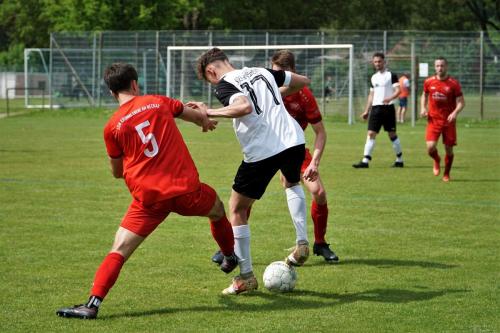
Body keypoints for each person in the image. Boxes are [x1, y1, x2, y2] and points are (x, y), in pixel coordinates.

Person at [56, 63, 238, 319]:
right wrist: (205, 121)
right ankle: (230, 256)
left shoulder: (112, 128)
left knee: (119, 250)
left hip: (149, 199)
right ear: (134, 84)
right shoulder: (157, 101)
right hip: (185, 190)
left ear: (111, 93)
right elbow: (196, 117)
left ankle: (92, 304)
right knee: (218, 210)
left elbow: (117, 172)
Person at [194, 47, 312, 295]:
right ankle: (302, 243)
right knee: (292, 184)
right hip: (293, 140)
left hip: (263, 149)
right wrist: (275, 97)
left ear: (211, 71)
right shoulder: (262, 71)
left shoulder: (224, 85)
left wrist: (208, 111)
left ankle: (246, 277)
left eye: (209, 79)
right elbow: (303, 82)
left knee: (237, 209)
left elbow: (243, 107)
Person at [353, 52, 404, 168]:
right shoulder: (373, 77)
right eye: (375, 62)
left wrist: (389, 98)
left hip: (388, 108)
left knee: (392, 134)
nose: (377, 64)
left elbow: (398, 90)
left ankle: (399, 159)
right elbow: (371, 95)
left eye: (379, 61)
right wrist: (366, 110)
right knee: (371, 133)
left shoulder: (391, 75)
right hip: (376, 109)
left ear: (384, 62)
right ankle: (365, 161)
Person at [420, 57, 465, 182]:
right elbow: (424, 95)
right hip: (433, 120)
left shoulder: (453, 84)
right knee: (430, 147)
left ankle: (446, 173)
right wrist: (423, 108)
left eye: (442, 66)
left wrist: (455, 112)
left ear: (446, 67)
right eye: (438, 66)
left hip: (448, 121)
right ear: (434, 67)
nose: (440, 68)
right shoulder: (428, 82)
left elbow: (461, 102)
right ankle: (436, 159)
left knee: (449, 150)